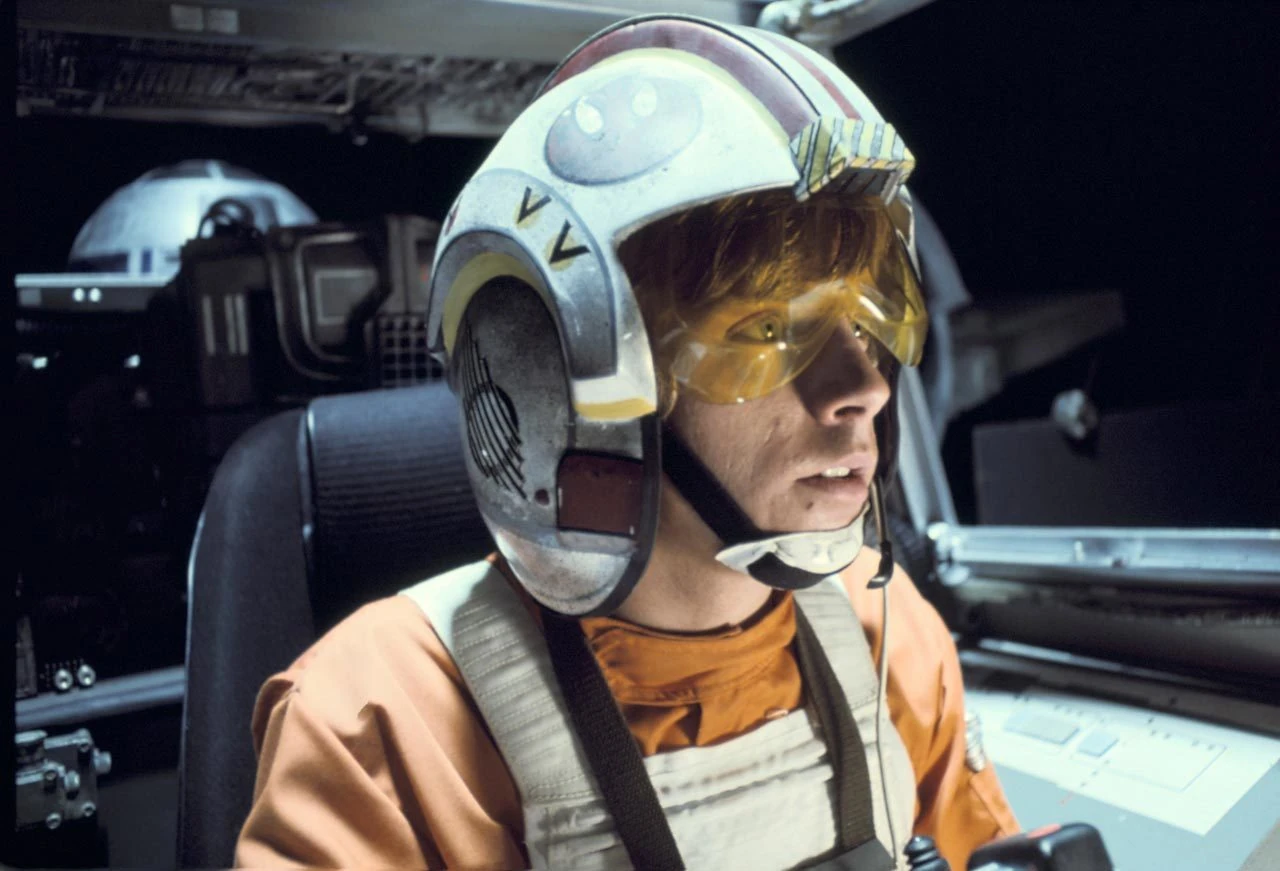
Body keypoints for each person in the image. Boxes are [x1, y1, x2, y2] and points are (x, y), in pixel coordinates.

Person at [235, 14, 1019, 870]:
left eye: (867, 329)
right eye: (766, 329)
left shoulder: (891, 638)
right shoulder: (377, 724)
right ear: (560, 386)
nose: (864, 388)